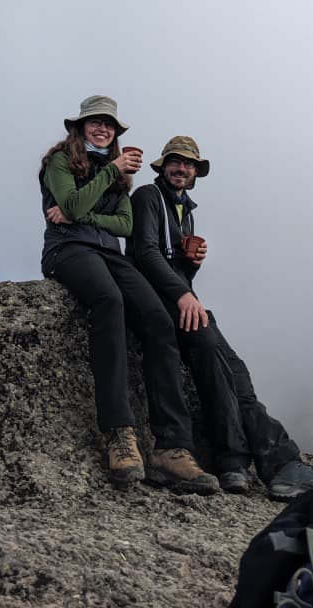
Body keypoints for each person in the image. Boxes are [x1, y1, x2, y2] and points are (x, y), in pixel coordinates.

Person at [127, 135, 313, 499]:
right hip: (162, 301)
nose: (181, 169)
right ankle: (272, 464)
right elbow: (146, 254)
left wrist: (190, 266)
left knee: (231, 370)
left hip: (176, 298)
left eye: (188, 164)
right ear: (163, 165)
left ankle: (235, 466)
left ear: (196, 172)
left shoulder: (185, 209)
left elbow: (169, 262)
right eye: (175, 162)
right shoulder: (148, 197)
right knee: (224, 364)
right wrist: (184, 292)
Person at [38, 97, 218, 494]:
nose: (103, 129)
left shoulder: (117, 172)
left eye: (109, 125)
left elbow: (123, 225)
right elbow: (69, 202)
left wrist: (82, 211)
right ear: (80, 127)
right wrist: (105, 179)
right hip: (66, 250)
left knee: (158, 319)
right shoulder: (59, 162)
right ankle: (119, 433)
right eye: (95, 122)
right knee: (110, 302)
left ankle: (172, 447)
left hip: (108, 251)